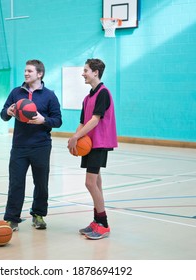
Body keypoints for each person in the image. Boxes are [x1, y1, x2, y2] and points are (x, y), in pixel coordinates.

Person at [0, 59, 62, 231]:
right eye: (25, 71)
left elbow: (58, 120)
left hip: (41, 146)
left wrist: (44, 120)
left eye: (30, 71)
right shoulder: (16, 93)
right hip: (19, 146)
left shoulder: (49, 95)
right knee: (16, 183)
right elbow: (3, 114)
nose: (26, 73)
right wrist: (8, 112)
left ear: (40, 74)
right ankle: (12, 218)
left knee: (41, 183)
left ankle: (38, 214)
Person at [67, 58, 118, 240]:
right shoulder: (87, 97)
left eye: (86, 70)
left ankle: (103, 223)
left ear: (95, 72)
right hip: (90, 144)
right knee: (96, 183)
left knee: (89, 183)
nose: (83, 73)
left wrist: (76, 137)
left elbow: (96, 119)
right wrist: (73, 138)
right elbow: (82, 122)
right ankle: (97, 221)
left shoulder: (103, 93)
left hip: (100, 143)